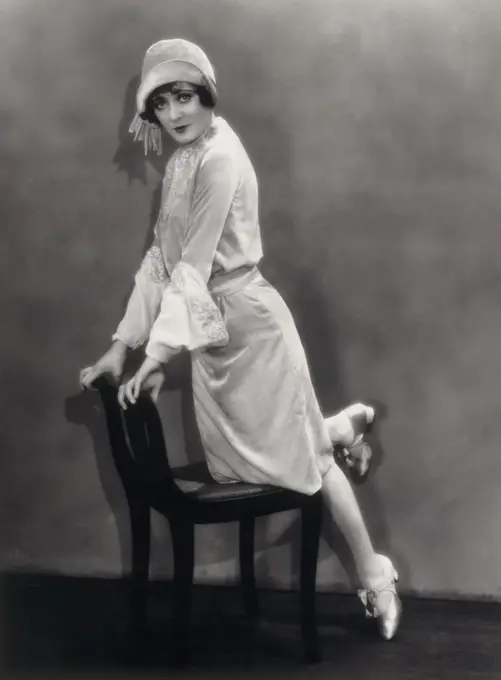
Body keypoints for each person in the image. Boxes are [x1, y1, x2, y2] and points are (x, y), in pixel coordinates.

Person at [80, 38, 401, 640]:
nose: (175, 114)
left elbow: (195, 266)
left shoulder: (221, 156)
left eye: (185, 97)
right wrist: (123, 345)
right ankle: (344, 423)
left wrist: (157, 356)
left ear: (205, 94)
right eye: (162, 104)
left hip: (252, 328)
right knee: (254, 464)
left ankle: (375, 574)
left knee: (306, 462)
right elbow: (161, 262)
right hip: (211, 339)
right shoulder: (181, 161)